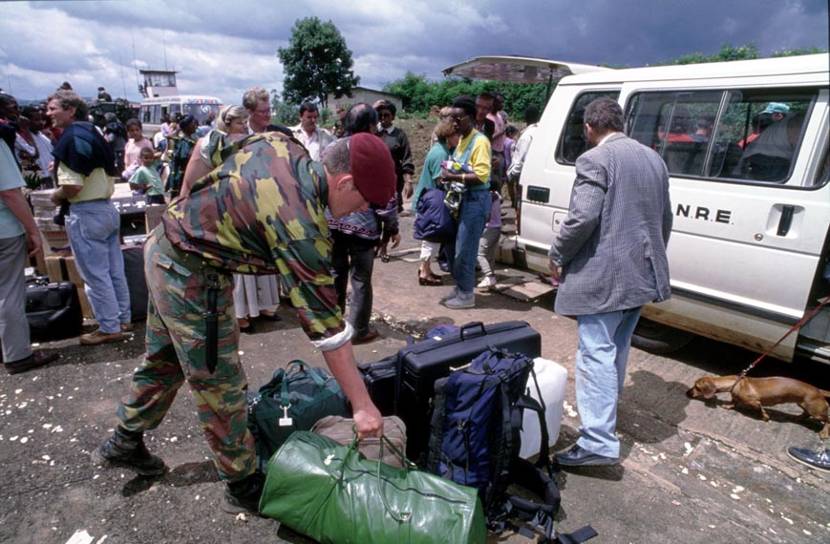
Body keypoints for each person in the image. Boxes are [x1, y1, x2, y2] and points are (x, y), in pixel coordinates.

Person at [94, 131, 392, 514]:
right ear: (345, 181)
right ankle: (242, 482)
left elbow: (209, 144)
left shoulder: (281, 144)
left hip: (167, 248)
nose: (358, 211)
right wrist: (363, 405)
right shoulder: (300, 221)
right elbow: (327, 328)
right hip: (190, 272)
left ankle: (124, 440)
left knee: (167, 361)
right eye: (363, 201)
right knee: (220, 380)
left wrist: (186, 201)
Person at [550, 97, 672, 467]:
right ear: (621, 123)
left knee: (595, 353)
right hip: (642, 273)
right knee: (615, 349)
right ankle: (604, 421)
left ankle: (598, 441)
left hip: (606, 276)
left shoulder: (594, 159)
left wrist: (557, 254)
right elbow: (664, 219)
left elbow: (581, 218)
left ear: (589, 127)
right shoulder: (654, 158)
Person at [46, 90, 132, 346]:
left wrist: (56, 196)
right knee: (114, 270)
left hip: (86, 212)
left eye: (53, 108)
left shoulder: (71, 138)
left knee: (95, 275)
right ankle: (122, 318)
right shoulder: (93, 132)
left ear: (70, 110)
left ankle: (109, 327)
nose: (48, 113)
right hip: (106, 208)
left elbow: (72, 186)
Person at [327, 103, 399, 344]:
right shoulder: (376, 149)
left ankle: (333, 325)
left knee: (336, 272)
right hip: (363, 226)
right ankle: (358, 330)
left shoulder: (331, 148)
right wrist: (391, 226)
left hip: (333, 224)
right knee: (360, 279)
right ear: (371, 124)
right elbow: (385, 191)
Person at [1, 121, 60, 373]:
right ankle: (17, 355)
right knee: (8, 293)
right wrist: (32, 229)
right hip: (4, 232)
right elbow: (10, 193)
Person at [440, 95, 492, 309]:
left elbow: (481, 175)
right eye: (452, 118)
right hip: (463, 200)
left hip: (475, 201)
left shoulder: (480, 141)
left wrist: (452, 176)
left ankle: (466, 295)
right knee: (455, 248)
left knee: (466, 250)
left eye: (458, 118)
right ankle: (462, 286)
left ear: (470, 118)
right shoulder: (462, 140)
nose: (454, 122)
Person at [414, 119, 458, 285]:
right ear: (448, 136)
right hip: (433, 200)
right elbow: (441, 179)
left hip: (428, 199)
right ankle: (425, 272)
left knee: (430, 236)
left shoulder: (439, 149)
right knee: (431, 237)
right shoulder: (441, 153)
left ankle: (425, 268)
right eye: (456, 135)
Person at [374, 100, 415, 214]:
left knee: (393, 214)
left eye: (386, 115)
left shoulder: (399, 135)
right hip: (374, 181)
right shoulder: (373, 133)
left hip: (394, 181)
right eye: (380, 115)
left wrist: (408, 182)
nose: (382, 118)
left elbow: (407, 160)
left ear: (393, 117)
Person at [506, 105, 540, 208]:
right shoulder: (541, 131)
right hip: (536, 172)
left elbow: (520, 160)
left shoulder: (526, 135)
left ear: (525, 118)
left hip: (523, 174)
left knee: (521, 205)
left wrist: (510, 175)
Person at [165, 115, 197, 199]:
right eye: (193, 123)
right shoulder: (184, 142)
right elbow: (184, 157)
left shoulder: (191, 140)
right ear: (187, 126)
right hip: (182, 176)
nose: (195, 125)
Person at [476, 190, 502, 290]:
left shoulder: (488, 197)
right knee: (489, 255)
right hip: (497, 228)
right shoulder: (496, 195)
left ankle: (489, 276)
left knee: (480, 254)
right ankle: (491, 279)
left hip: (489, 228)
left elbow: (487, 216)